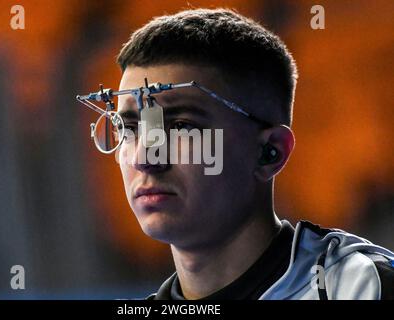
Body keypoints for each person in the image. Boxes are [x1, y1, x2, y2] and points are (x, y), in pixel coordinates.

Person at [83, 8, 394, 299]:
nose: (144, 158)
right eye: (130, 128)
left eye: (180, 125)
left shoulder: (358, 286)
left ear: (269, 152)